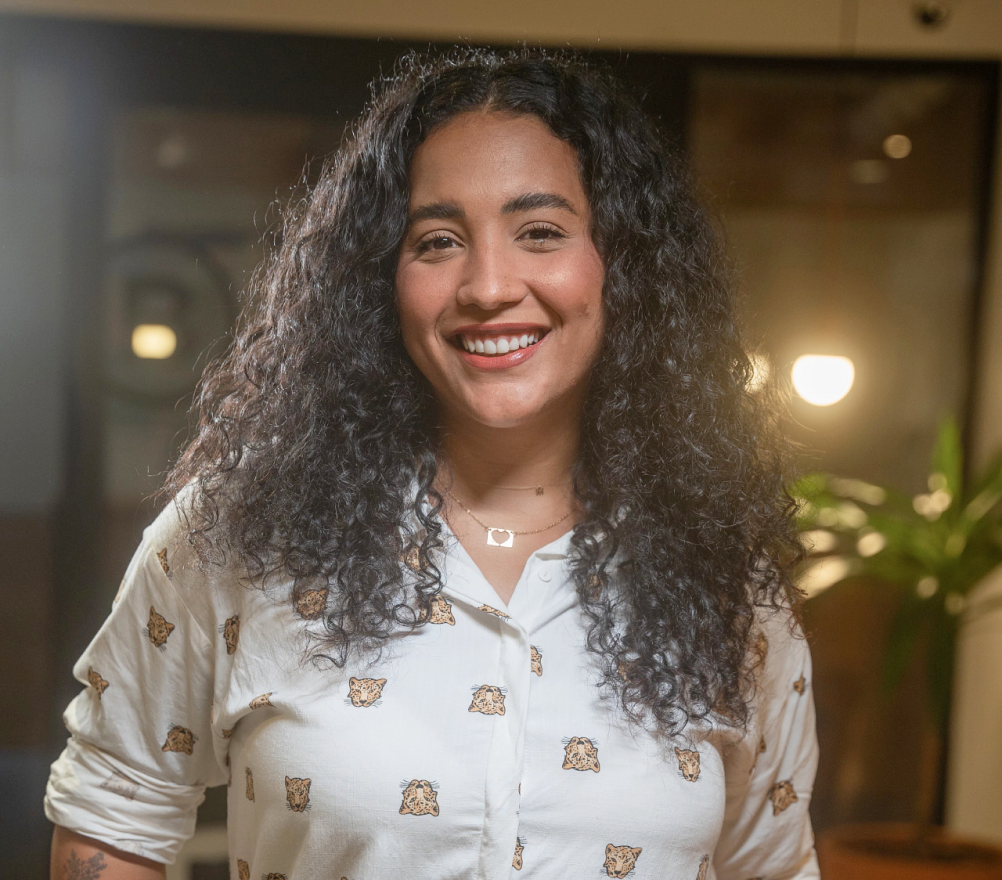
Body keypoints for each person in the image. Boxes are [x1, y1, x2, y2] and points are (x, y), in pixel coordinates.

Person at [46, 47, 820, 879]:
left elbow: (769, 864)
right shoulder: (237, 534)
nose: (489, 285)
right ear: (382, 280)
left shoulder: (725, 584)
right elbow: (113, 814)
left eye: (542, 232)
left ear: (620, 265)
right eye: (439, 240)